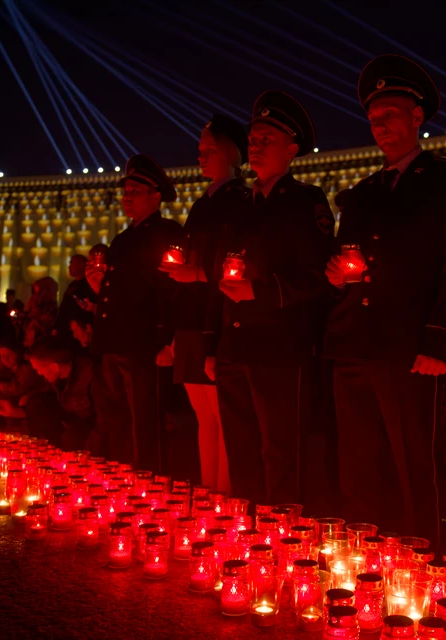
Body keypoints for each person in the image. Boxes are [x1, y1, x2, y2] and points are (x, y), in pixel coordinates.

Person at [323, 54, 446, 542]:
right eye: (373, 119)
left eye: (389, 114)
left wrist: (442, 340)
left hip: (411, 348)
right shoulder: (363, 192)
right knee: (358, 472)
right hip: (354, 343)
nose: (380, 126)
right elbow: (348, 261)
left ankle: (423, 575)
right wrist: (335, 276)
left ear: (417, 116)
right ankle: (365, 567)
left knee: (416, 470)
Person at [212, 91, 334, 506]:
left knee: (281, 454)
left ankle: (284, 545)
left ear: (292, 149)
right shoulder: (241, 204)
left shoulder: (306, 202)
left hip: (280, 347)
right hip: (236, 346)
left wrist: (261, 293)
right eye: (253, 139)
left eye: (267, 139)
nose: (255, 146)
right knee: (241, 452)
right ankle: (246, 542)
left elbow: (318, 275)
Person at [160, 113, 250, 494]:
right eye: (199, 150)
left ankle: (224, 495)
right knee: (204, 417)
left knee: (222, 416)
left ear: (231, 153)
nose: (200, 156)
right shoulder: (202, 204)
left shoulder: (240, 201)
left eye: (209, 150)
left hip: (219, 318)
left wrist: (198, 275)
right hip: (192, 318)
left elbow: (234, 262)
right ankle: (208, 488)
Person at [86, 154, 184, 473]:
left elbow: (171, 291)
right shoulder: (123, 238)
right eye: (126, 192)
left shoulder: (167, 233)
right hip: (116, 342)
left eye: (135, 192)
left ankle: (151, 487)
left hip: (145, 343)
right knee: (119, 418)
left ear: (156, 196)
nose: (127, 198)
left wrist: (167, 340)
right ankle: (124, 479)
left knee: (146, 423)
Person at [55, 255, 97, 339]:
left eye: (72, 263)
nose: (69, 266)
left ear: (81, 264)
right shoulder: (72, 285)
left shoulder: (89, 285)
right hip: (66, 330)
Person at [23, 276, 59, 348]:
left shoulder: (50, 308)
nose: (36, 293)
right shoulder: (34, 302)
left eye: (38, 290)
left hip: (42, 344)